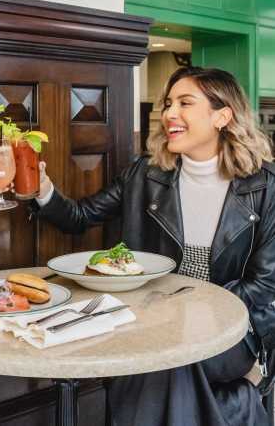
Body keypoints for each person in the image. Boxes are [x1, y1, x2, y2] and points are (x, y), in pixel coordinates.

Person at [35, 66, 274, 426]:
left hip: (236, 329)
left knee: (169, 357)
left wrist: (191, 317)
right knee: (163, 358)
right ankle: (239, 404)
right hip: (153, 320)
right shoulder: (144, 174)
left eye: (185, 103)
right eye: (168, 103)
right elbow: (80, 217)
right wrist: (41, 191)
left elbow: (264, 286)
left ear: (222, 116)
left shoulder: (267, 186)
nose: (169, 113)